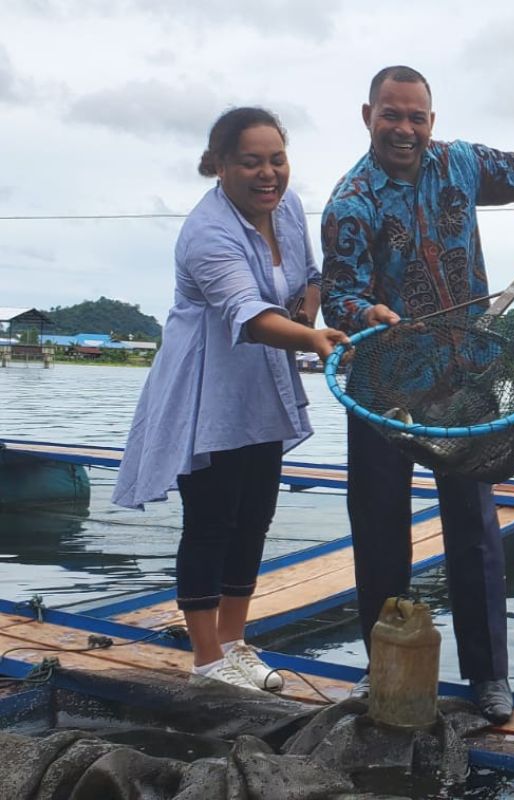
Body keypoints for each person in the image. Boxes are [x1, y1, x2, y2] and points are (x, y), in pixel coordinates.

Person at [320, 65, 514, 723]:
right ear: (367, 116)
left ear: (432, 122)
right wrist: (368, 316)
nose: (405, 128)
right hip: (385, 391)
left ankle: (489, 678)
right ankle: (385, 669)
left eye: (417, 116)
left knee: (473, 531)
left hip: (465, 384)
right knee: (380, 534)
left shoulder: (461, 165)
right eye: (392, 115)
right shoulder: (350, 203)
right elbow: (338, 296)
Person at [114, 107, 349, 692]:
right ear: (218, 166)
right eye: (251, 162)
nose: (268, 174)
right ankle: (208, 659)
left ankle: (238, 644)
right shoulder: (207, 232)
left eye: (277, 160)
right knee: (211, 520)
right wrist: (310, 339)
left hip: (262, 389)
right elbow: (246, 311)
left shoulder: (287, 209)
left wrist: (309, 311)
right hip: (206, 392)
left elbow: (311, 275)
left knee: (254, 519)